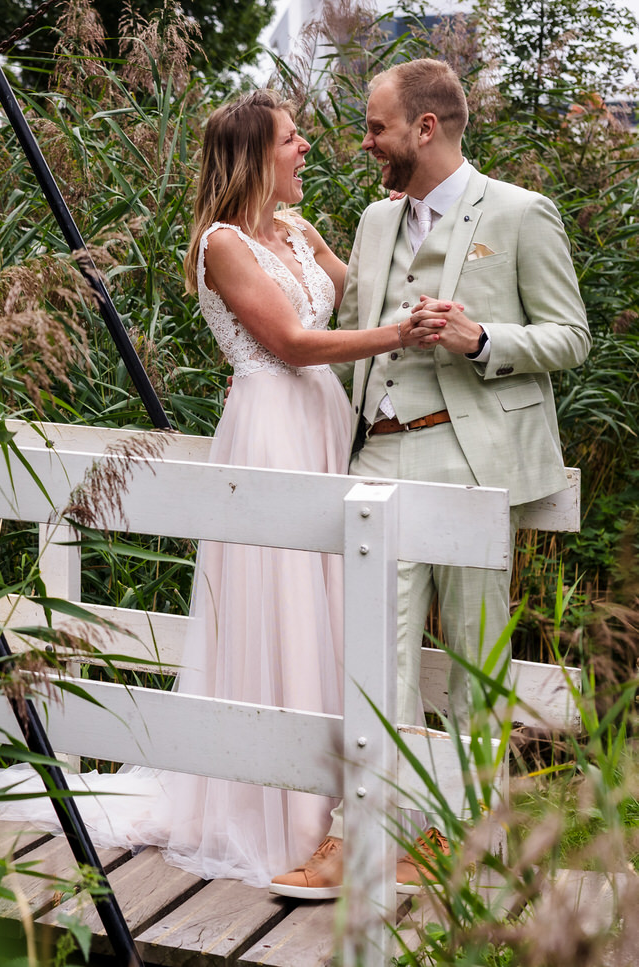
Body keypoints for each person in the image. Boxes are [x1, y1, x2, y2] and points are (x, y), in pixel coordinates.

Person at [0, 89, 425, 887]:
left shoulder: (298, 228)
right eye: (292, 140)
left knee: (337, 602)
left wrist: (404, 231)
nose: (305, 150)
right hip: (269, 429)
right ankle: (281, 812)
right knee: (284, 602)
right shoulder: (221, 244)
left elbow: (363, 294)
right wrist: (403, 333)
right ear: (257, 153)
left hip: (325, 423)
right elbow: (289, 342)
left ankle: (353, 812)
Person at [269, 59, 590, 900]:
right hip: (379, 455)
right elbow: (343, 325)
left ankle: (465, 837)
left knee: (476, 664)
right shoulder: (375, 222)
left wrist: (484, 340)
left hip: (474, 461)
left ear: (425, 128)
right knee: (373, 656)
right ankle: (358, 838)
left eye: (375, 127)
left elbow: (571, 335)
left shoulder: (519, 212)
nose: (364, 141)